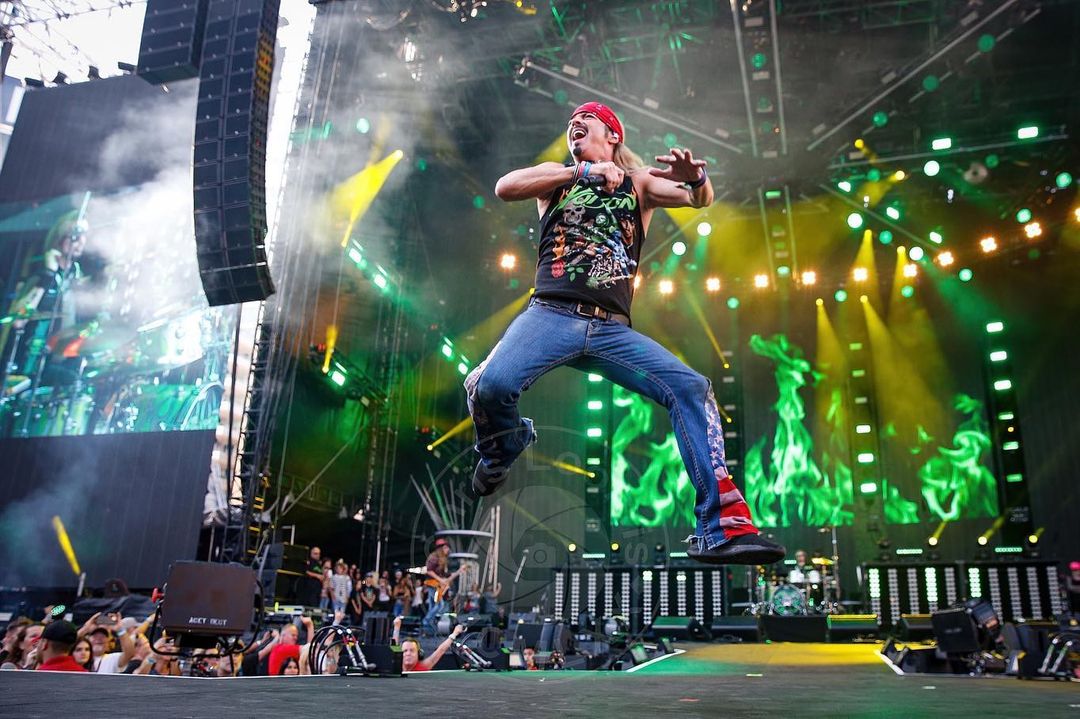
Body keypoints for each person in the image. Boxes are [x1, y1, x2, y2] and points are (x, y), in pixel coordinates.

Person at [466, 101, 784, 566]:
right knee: (489, 386)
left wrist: (696, 177)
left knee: (691, 387)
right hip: (550, 314)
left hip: (610, 330)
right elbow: (504, 187)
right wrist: (580, 174)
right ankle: (503, 447)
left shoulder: (639, 183)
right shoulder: (558, 177)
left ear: (613, 135)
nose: (574, 126)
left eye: (586, 121)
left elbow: (700, 199)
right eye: (570, 124)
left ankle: (721, 529)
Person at [422, 539, 466, 636]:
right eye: (446, 548)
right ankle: (426, 622)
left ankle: (429, 627)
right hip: (432, 584)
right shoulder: (433, 557)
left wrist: (459, 571)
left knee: (434, 606)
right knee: (439, 605)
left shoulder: (443, 560)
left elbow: (446, 575)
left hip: (437, 585)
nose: (448, 550)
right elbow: (429, 571)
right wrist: (440, 580)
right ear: (440, 549)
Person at [392, 616, 465, 672]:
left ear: (419, 654)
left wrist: (454, 634)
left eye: (412, 650)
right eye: (405, 651)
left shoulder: (423, 666)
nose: (408, 654)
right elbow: (393, 647)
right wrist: (396, 627)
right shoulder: (395, 666)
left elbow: (440, 650)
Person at [330, 559, 353, 624]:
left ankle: (339, 625)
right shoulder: (333, 577)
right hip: (336, 598)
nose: (339, 570)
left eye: (340, 568)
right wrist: (332, 596)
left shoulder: (347, 578)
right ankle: (335, 625)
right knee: (336, 613)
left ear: (343, 569)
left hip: (344, 598)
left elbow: (349, 588)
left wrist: (347, 597)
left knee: (342, 614)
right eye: (338, 568)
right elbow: (331, 588)